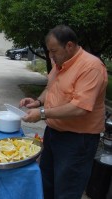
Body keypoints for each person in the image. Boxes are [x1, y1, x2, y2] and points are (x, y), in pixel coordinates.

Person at [19, 25, 108, 199]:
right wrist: (37, 101)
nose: (51, 56)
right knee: (47, 183)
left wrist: (42, 113)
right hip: (53, 134)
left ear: (69, 46)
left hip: (77, 141)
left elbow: (80, 107)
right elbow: (51, 87)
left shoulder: (91, 67)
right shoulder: (60, 63)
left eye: (54, 51)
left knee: (67, 190)